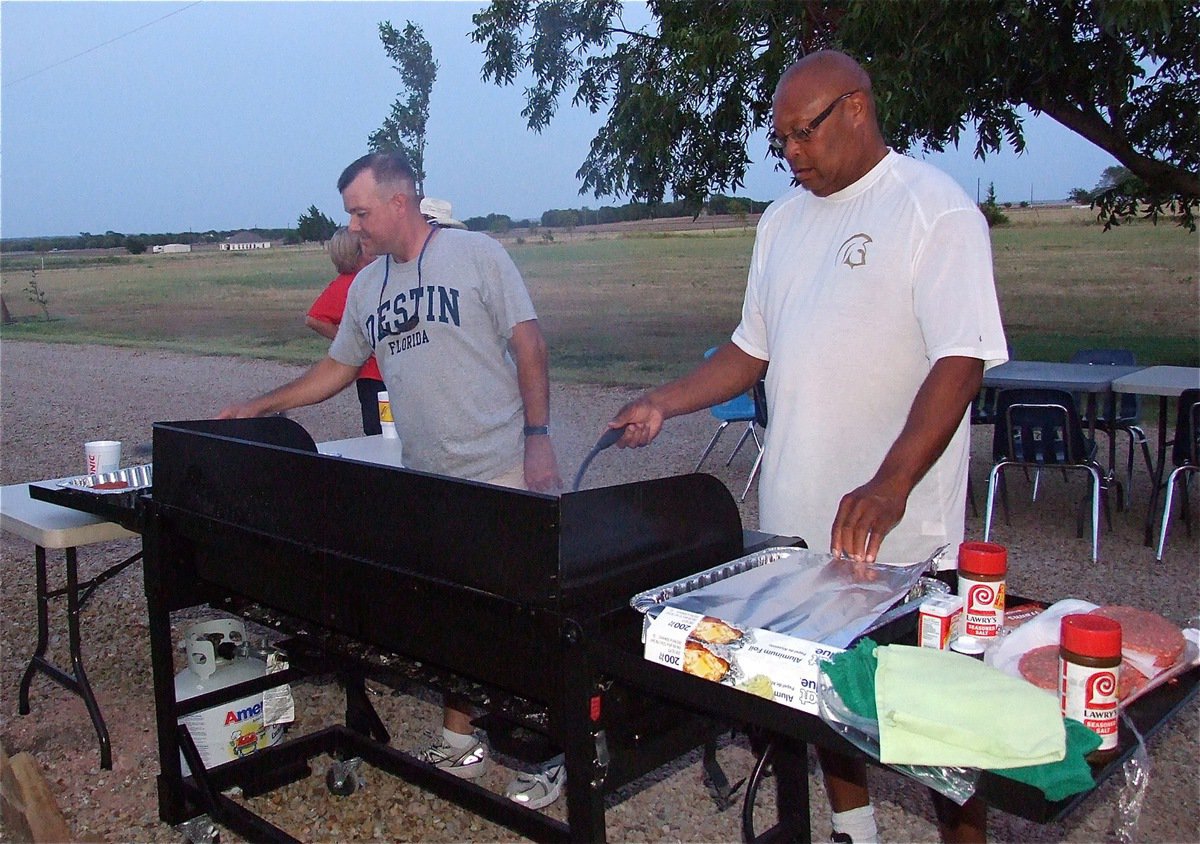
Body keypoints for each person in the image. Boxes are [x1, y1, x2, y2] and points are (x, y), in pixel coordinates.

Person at [609, 51, 1008, 843]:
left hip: (902, 537)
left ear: (855, 108)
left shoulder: (933, 210)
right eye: (780, 139)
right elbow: (749, 350)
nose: (791, 153)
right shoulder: (782, 221)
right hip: (798, 532)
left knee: (936, 732)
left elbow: (961, 360)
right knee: (823, 702)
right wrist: (664, 401)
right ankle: (852, 832)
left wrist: (891, 483)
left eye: (804, 133)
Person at [219, 151, 565, 808]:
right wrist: (263, 405)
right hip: (430, 479)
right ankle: (461, 739)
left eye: (360, 212)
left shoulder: (477, 255)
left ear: (400, 202)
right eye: (350, 214)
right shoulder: (367, 285)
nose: (353, 227)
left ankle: (548, 751)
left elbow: (530, 345)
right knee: (451, 614)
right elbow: (337, 367)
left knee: (522, 622)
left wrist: (540, 439)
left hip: (503, 466)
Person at [305, 227, 383, 434]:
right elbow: (315, 318)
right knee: (379, 433)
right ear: (355, 252)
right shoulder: (347, 285)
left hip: (390, 372)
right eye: (366, 245)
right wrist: (353, 341)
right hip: (373, 375)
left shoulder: (373, 277)